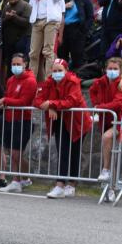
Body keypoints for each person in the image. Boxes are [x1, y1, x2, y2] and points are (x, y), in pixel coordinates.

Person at [34, 59, 92, 199]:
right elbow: (37, 100)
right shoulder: (49, 82)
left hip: (77, 121)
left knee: (74, 152)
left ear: (66, 71)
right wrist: (51, 107)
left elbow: (72, 101)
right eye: (54, 71)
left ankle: (71, 184)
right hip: (60, 119)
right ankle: (60, 184)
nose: (57, 73)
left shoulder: (73, 82)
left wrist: (52, 104)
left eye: (60, 70)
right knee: (63, 151)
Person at [89, 57, 122, 200]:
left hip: (121, 121)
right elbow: (92, 91)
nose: (112, 71)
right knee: (111, 153)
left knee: (107, 138)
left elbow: (117, 103)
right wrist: (97, 104)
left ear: (120, 70)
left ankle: (106, 170)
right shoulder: (100, 81)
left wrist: (99, 108)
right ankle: (110, 188)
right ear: (105, 69)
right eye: (110, 68)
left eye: (115, 69)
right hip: (106, 120)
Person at [0, 54, 38, 193]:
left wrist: (6, 100)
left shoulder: (31, 81)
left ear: (25, 64)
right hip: (10, 119)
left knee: (15, 154)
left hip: (23, 120)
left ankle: (16, 181)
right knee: (14, 154)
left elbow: (24, 101)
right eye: (14, 64)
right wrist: (6, 101)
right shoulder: (11, 80)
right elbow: (10, 97)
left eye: (18, 64)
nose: (16, 67)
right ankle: (25, 178)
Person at [26, 0, 69, 81]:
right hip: (37, 19)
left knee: (48, 52)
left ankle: (49, 81)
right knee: (33, 53)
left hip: (51, 20)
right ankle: (31, 81)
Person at [59, 0, 94, 70]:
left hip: (77, 30)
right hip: (63, 30)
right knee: (62, 56)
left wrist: (84, 31)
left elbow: (90, 17)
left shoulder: (85, 0)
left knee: (77, 57)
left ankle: (78, 79)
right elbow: (55, 12)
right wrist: (64, 6)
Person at [0, 0, 32, 78]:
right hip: (9, 42)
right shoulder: (6, 7)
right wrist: (7, 18)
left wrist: (14, 17)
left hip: (23, 40)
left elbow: (27, 23)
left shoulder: (26, 6)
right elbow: (1, 23)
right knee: (10, 66)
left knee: (23, 64)